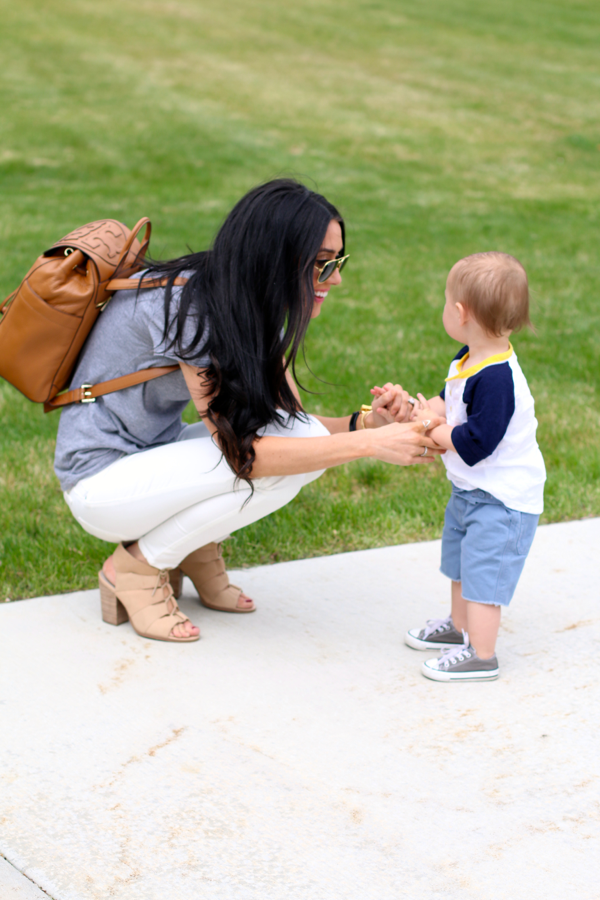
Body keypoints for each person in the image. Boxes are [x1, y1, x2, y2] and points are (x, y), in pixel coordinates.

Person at [55, 179, 444, 644]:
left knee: (301, 444)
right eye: (322, 264)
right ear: (274, 257)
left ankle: (192, 547)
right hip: (101, 484)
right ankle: (134, 570)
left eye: (338, 262)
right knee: (290, 458)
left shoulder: (244, 302)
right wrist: (372, 444)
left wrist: (368, 423)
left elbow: (295, 427)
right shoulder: (190, 308)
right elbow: (248, 457)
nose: (336, 278)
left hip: (150, 459)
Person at [404, 252, 545, 681]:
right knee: (462, 563)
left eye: (447, 301)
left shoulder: (499, 379)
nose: (445, 308)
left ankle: (482, 655)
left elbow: (475, 443)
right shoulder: (470, 357)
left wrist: (435, 432)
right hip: (471, 493)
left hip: (503, 502)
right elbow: (451, 401)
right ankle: (459, 629)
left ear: (460, 313)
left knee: (484, 578)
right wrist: (425, 408)